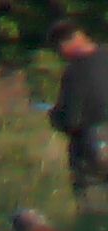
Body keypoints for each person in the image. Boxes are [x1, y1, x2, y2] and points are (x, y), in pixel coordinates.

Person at [48, 19, 108, 206]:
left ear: (66, 44)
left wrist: (54, 116)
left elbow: (71, 119)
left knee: (94, 210)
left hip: (92, 148)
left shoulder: (75, 72)